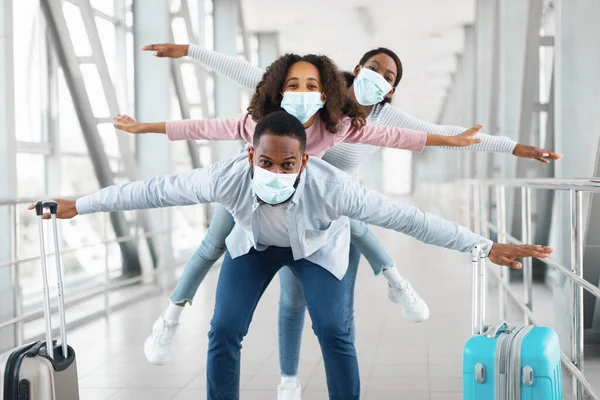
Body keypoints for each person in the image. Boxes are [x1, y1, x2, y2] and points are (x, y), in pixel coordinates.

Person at [133, 45, 561, 399]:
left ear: (392, 89)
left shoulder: (375, 123)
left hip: (331, 211)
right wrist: (191, 52)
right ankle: (278, 375)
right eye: (373, 67)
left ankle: (395, 279)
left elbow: (440, 135)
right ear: (356, 70)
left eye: (388, 75)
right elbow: (243, 77)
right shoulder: (319, 94)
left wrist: (514, 148)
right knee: (246, 269)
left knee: (337, 312)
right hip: (268, 193)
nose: (379, 76)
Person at [33, 111, 553, 400]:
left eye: (287, 164)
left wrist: (484, 246)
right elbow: (152, 190)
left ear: (304, 159)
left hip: (318, 251)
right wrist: (80, 204)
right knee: (223, 329)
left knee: (334, 329)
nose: (276, 172)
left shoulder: (334, 188)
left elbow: (410, 219)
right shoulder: (226, 176)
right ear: (249, 155)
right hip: (253, 247)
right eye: (266, 162)